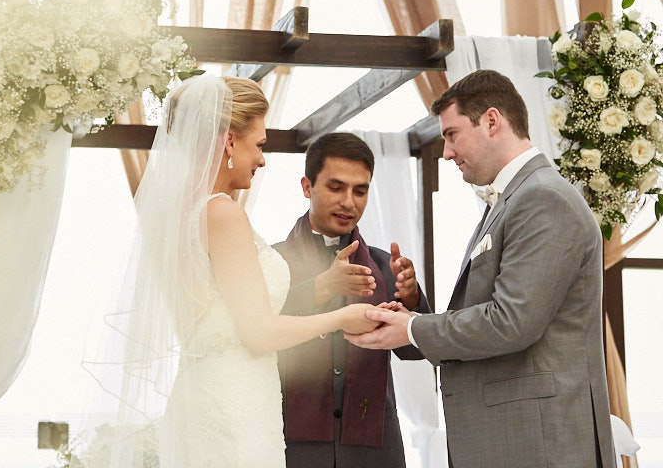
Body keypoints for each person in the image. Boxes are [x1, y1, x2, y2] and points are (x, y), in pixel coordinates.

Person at [89, 75, 391, 468]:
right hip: (235, 402)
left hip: (204, 392)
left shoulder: (177, 215)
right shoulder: (223, 213)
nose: (263, 158)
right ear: (230, 141)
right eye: (260, 144)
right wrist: (343, 317)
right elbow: (259, 333)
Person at [345, 70, 615, 468]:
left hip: (539, 446)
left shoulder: (542, 198)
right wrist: (411, 317)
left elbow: (511, 322)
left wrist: (414, 329)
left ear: (491, 121)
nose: (446, 153)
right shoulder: (511, 200)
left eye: (452, 135)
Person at [273, 132, 430, 468]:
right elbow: (255, 330)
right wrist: (320, 288)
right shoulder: (271, 263)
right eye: (336, 187)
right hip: (292, 448)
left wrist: (414, 299)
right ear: (307, 187)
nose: (349, 201)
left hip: (373, 450)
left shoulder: (383, 264)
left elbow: (416, 352)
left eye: (360, 191)